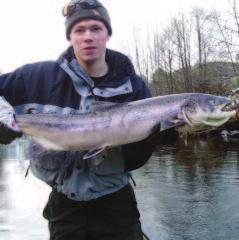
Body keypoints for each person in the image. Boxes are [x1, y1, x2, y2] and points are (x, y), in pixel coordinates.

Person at [0, 0, 159, 239]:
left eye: (96, 28)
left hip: (117, 205)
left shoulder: (133, 87)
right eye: (79, 30)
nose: (88, 37)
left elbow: (135, 160)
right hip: (64, 207)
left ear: (107, 34)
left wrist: (151, 138)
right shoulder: (35, 77)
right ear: (70, 36)